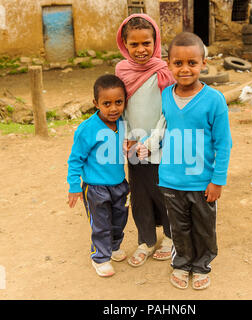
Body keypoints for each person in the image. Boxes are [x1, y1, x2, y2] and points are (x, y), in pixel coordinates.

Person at [146, 32, 232, 289]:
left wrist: (217, 180)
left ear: (203, 63)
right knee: (179, 228)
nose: (185, 69)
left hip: (203, 182)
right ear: (168, 64)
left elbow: (223, 143)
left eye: (192, 63)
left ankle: (202, 265)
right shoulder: (165, 97)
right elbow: (162, 131)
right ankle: (182, 264)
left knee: (203, 227)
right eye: (178, 63)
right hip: (171, 180)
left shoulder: (214, 100)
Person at [115, 14, 175, 267]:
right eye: (134, 44)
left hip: (162, 144)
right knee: (139, 195)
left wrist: (152, 142)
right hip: (133, 146)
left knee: (165, 192)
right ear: (124, 44)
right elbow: (120, 107)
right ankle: (146, 240)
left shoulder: (163, 71)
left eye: (146, 43)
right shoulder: (121, 71)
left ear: (156, 41)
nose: (141, 50)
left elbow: (168, 112)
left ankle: (171, 238)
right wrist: (127, 137)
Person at [67, 74, 130, 277]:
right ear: (96, 103)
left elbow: (127, 146)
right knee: (101, 224)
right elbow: (75, 160)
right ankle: (100, 257)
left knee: (120, 219)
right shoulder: (87, 129)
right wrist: (74, 185)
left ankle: (113, 246)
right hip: (95, 188)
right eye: (107, 103)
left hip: (119, 184)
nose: (113, 108)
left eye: (118, 102)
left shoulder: (123, 124)